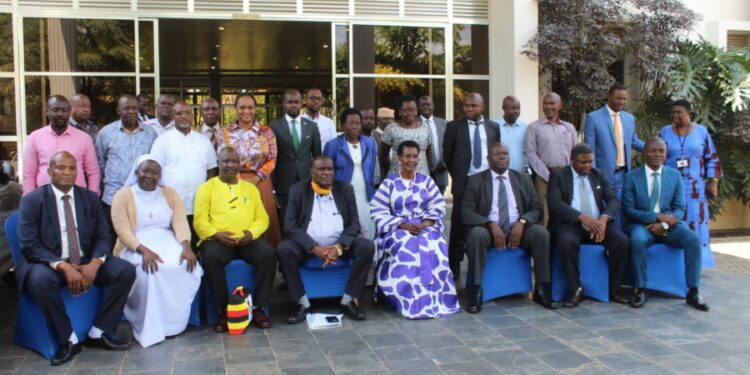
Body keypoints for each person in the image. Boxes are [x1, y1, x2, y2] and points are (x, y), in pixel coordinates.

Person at [17, 152, 135, 366]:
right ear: (49, 171)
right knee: (40, 280)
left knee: (125, 270)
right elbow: (30, 245)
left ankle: (99, 331)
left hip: (86, 260)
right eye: (61, 168)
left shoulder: (89, 198)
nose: (67, 173)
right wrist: (62, 265)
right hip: (49, 264)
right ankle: (67, 339)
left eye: (72, 168)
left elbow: (104, 236)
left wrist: (96, 262)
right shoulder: (33, 201)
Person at [111, 155, 201, 348]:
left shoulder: (169, 193)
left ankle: (174, 323)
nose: (149, 176)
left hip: (167, 239)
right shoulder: (123, 195)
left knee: (184, 264)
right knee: (151, 271)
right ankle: (149, 325)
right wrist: (143, 251)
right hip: (135, 244)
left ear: (161, 175)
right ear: (137, 172)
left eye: (155, 172)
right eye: (145, 171)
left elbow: (179, 221)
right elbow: (122, 230)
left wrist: (186, 246)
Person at [278, 156, 375, 323]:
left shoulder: (345, 189)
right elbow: (290, 226)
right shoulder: (298, 190)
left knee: (366, 247)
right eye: (321, 169)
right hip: (308, 248)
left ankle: (348, 300)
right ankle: (302, 302)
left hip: (339, 246)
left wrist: (338, 247)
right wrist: (314, 248)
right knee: (284, 249)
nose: (327, 173)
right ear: (311, 172)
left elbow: (354, 225)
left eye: (330, 169)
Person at [370, 140, 460, 319]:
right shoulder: (389, 183)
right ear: (399, 158)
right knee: (407, 247)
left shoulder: (426, 181)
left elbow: (438, 205)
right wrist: (401, 224)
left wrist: (426, 223)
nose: (411, 160)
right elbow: (377, 209)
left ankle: (436, 300)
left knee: (436, 245)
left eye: (415, 157)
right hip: (397, 228)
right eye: (407, 156)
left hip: (424, 226)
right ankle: (407, 300)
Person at [462, 143, 556, 312]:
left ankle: (542, 289)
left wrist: (523, 222)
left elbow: (537, 209)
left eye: (505, 153)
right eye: (497, 154)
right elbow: (466, 213)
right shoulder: (476, 180)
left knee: (541, 233)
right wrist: (489, 224)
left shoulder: (523, 178)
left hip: (518, 229)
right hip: (488, 231)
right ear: (488, 158)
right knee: (476, 234)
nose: (502, 156)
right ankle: (476, 291)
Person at [194, 147, 277, 332]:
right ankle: (224, 311)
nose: (230, 165)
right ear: (218, 163)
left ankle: (258, 308)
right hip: (217, 239)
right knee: (211, 258)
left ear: (239, 164)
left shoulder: (250, 188)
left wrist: (252, 233)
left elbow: (262, 218)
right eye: (226, 161)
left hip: (246, 240)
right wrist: (216, 234)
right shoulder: (206, 188)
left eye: (234, 161)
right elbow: (199, 220)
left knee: (269, 254)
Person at [622, 137, 708, 311]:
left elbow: (679, 208)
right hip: (642, 225)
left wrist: (665, 226)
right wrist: (656, 217)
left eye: (661, 151)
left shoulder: (674, 175)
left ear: (666, 153)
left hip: (670, 226)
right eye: (653, 150)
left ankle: (693, 291)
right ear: (644, 152)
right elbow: (629, 210)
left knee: (692, 239)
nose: (657, 154)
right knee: (637, 240)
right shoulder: (631, 177)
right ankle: (641, 289)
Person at [547, 143, 630, 308]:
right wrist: (580, 217)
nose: (587, 166)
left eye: (590, 162)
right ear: (571, 160)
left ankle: (613, 288)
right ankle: (575, 289)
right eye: (582, 162)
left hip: (598, 223)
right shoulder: (559, 175)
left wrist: (604, 219)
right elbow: (554, 203)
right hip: (570, 224)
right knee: (566, 242)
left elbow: (612, 199)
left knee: (622, 242)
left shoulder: (597, 174)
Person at [443, 92, 501, 280]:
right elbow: (448, 156)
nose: (468, 109)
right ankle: (454, 268)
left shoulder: (493, 127)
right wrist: (459, 176)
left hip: (487, 183)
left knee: (485, 221)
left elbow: (496, 152)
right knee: (459, 228)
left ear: (482, 107)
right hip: (465, 183)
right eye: (466, 105)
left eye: (473, 106)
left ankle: (484, 267)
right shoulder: (454, 127)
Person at [659, 100, 721, 268]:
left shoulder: (701, 132)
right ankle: (676, 262)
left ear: (688, 113)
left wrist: (713, 182)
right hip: (671, 187)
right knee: (673, 221)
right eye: (673, 112)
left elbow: (712, 157)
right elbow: (656, 156)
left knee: (697, 222)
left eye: (679, 112)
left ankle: (697, 263)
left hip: (696, 189)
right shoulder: (665, 132)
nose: (675, 115)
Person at [150, 102, 218, 248]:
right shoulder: (162, 141)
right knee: (176, 247)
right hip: (172, 205)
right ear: (173, 116)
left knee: (198, 245)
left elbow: (212, 169)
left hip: (199, 205)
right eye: (179, 113)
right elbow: (155, 172)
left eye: (187, 113)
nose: (184, 116)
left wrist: (206, 194)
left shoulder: (203, 141)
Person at [217, 93, 282, 247]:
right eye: (242, 107)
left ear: (255, 109)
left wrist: (255, 179)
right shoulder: (225, 132)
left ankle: (267, 258)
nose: (246, 111)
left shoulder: (266, 131)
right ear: (235, 109)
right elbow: (223, 157)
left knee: (263, 217)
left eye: (250, 107)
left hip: (260, 182)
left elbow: (272, 158)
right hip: (233, 182)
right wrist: (238, 179)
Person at [584, 83, 645, 229]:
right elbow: (589, 148)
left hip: (624, 174)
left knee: (624, 208)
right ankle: (613, 244)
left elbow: (634, 141)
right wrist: (593, 174)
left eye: (624, 99)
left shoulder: (629, 118)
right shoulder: (593, 118)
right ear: (609, 97)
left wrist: (654, 148)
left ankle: (624, 242)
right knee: (609, 209)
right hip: (603, 174)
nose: (621, 102)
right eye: (618, 98)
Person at [96, 94, 158, 233]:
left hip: (142, 197)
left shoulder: (150, 133)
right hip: (112, 196)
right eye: (126, 108)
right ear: (118, 110)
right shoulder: (106, 133)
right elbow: (100, 163)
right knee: (113, 238)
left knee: (139, 237)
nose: (130, 111)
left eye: (134, 108)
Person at [23, 95, 100, 196]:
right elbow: (29, 173)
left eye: (64, 110)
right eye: (55, 110)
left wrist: (92, 197)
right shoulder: (35, 137)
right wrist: (30, 198)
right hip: (44, 197)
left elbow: (93, 171)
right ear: (47, 112)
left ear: (69, 112)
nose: (60, 114)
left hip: (77, 197)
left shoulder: (84, 138)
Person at [323, 108, 377, 239]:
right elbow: (326, 173)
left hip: (365, 195)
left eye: (358, 123)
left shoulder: (370, 143)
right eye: (351, 123)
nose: (355, 127)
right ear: (343, 125)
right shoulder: (333, 145)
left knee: (367, 230)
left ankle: (369, 258)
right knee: (347, 230)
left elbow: (372, 168)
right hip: (342, 195)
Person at [526, 92, 577, 226]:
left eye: (552, 103)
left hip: (565, 176)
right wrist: (547, 175)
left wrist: (567, 174)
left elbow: (575, 154)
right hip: (543, 176)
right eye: (545, 103)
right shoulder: (534, 127)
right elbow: (531, 154)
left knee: (566, 210)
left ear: (560, 105)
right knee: (544, 214)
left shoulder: (569, 128)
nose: (548, 106)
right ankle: (544, 243)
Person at [269, 89, 322, 220]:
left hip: (307, 182)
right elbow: (271, 159)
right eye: (290, 102)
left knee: (306, 220)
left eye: (296, 102)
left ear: (301, 104)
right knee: (286, 221)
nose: (293, 105)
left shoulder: (312, 127)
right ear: (284, 104)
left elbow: (317, 157)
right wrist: (272, 188)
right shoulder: (273, 127)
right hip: (283, 184)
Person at [378, 95, 435, 178]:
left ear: (417, 110)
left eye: (412, 110)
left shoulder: (426, 128)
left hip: (421, 177)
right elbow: (383, 156)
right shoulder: (391, 129)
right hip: (397, 177)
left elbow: (429, 154)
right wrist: (393, 167)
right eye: (405, 110)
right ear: (400, 111)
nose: (409, 113)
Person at [419, 95, 449, 194]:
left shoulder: (444, 123)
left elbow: (449, 146)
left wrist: (445, 163)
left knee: (439, 207)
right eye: (423, 105)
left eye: (428, 104)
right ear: (418, 107)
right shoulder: (414, 124)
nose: (426, 107)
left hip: (441, 172)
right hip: (421, 174)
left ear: (433, 106)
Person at [497, 96, 529, 173]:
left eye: (518, 108)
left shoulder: (525, 128)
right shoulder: (494, 127)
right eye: (512, 108)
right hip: (500, 173)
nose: (516, 111)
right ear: (503, 108)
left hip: (521, 173)